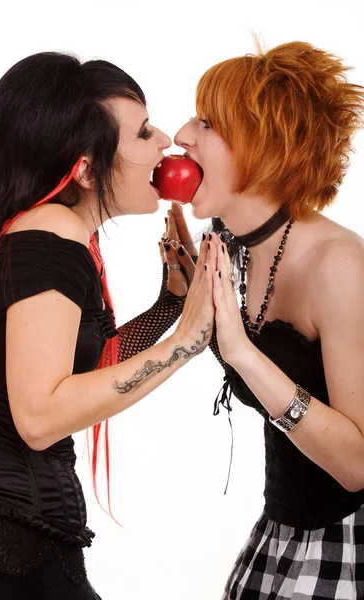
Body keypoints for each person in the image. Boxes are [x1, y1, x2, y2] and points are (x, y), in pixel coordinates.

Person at [0, 51, 217, 598]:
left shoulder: (26, 231)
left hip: (0, 536)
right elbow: (40, 414)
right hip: (5, 549)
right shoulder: (52, 240)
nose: (167, 141)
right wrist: (183, 344)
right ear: (85, 169)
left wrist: (168, 306)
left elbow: (81, 372)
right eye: (144, 132)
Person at [175, 41, 364, 599]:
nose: (182, 135)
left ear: (262, 145)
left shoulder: (339, 267)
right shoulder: (235, 248)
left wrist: (242, 352)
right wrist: (180, 304)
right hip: (279, 536)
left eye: (206, 122)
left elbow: (357, 465)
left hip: (345, 542)